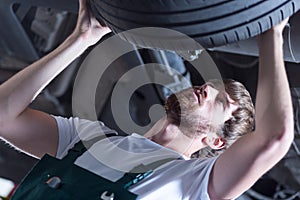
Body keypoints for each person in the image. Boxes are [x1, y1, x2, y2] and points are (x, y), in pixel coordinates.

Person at [0, 0, 294, 199]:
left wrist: (271, 30)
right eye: (208, 84)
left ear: (216, 141)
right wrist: (81, 39)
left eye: (219, 102)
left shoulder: (193, 184)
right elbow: (4, 116)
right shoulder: (87, 140)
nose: (206, 89)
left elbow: (273, 139)